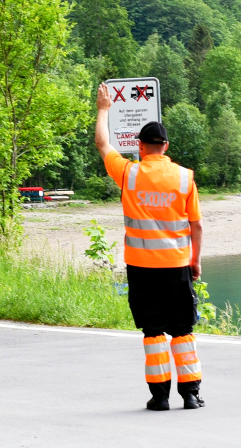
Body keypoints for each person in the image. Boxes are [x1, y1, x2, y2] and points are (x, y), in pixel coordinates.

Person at [94, 83, 204, 411]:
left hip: (142, 269)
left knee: (154, 332)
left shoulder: (128, 174)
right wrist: (195, 261)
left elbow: (102, 142)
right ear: (165, 146)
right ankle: (191, 395)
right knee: (183, 331)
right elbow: (196, 225)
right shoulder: (184, 178)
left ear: (140, 146)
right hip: (177, 265)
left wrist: (104, 107)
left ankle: (160, 397)